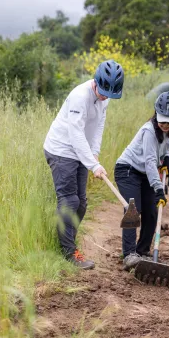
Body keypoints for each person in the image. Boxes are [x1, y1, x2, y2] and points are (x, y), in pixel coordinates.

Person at [44, 60, 124, 270]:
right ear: (96, 81)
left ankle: (68, 242)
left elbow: (98, 126)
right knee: (69, 201)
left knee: (81, 203)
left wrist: (94, 154)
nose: (105, 97)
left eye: (110, 94)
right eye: (103, 91)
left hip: (81, 152)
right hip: (61, 151)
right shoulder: (80, 97)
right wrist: (93, 165)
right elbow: (75, 134)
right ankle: (68, 252)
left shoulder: (104, 98)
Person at [115, 91, 169, 270]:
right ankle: (129, 254)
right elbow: (151, 162)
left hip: (145, 173)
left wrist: (167, 158)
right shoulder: (149, 131)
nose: (165, 125)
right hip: (128, 169)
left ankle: (142, 252)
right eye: (162, 120)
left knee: (152, 212)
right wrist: (159, 189)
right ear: (156, 114)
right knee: (133, 208)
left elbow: (165, 149)